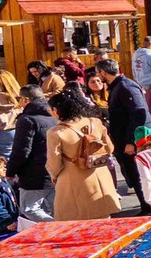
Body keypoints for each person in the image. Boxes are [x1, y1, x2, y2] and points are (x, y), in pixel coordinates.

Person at [45, 89, 121, 221]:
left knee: (77, 223)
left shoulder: (56, 132)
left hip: (72, 179)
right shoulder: (95, 122)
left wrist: (54, 175)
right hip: (99, 174)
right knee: (104, 221)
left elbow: (54, 163)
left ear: (56, 110)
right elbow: (110, 148)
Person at [97, 59, 150, 215]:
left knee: (138, 174)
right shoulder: (118, 87)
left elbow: (138, 113)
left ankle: (147, 207)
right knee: (133, 173)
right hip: (124, 138)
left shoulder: (125, 86)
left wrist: (130, 141)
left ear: (103, 73)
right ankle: (145, 206)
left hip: (135, 140)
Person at [6, 84, 56, 221]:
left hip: (34, 173)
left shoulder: (26, 120)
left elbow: (21, 151)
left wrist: (10, 170)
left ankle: (55, 226)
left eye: (19, 98)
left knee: (29, 208)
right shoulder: (54, 114)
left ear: (25, 99)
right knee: (56, 208)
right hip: (54, 169)